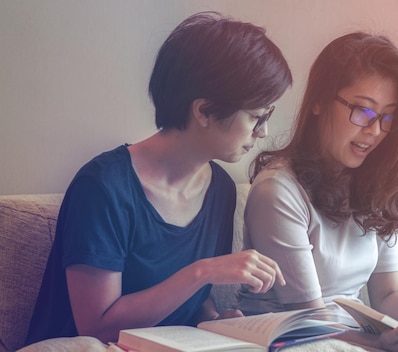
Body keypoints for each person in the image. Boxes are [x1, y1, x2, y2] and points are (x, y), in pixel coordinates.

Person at [24, 11, 291, 346]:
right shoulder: (104, 187)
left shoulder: (220, 189)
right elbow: (96, 327)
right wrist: (202, 271)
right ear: (204, 110)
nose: (263, 132)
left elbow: (191, 304)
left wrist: (216, 323)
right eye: (256, 116)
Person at [238, 32, 398, 352]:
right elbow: (307, 316)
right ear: (318, 100)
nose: (374, 131)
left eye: (387, 117)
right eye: (362, 110)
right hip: (295, 339)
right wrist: (383, 343)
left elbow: (388, 295)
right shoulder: (278, 190)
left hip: (354, 337)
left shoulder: (374, 183)